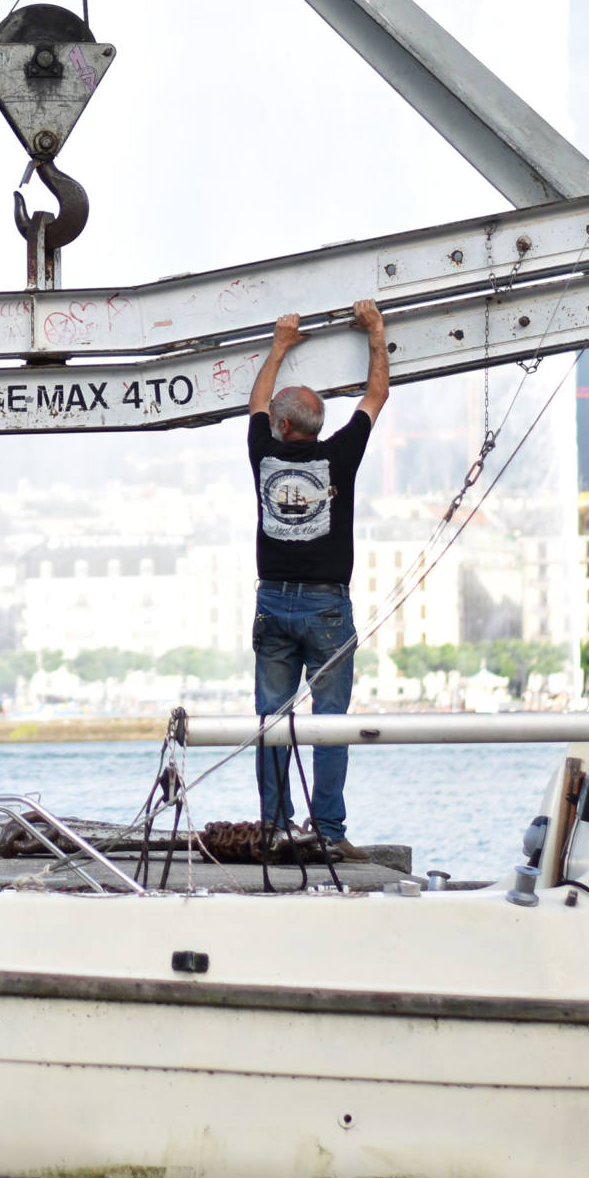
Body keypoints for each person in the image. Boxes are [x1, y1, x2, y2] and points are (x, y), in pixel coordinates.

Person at [243, 300, 390, 849]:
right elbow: (376, 396)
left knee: (271, 726)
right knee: (332, 727)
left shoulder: (262, 452)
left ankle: (275, 828)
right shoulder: (340, 455)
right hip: (329, 607)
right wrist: (375, 331)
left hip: (273, 604)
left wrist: (280, 343)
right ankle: (328, 832)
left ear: (281, 427)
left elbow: (256, 402)